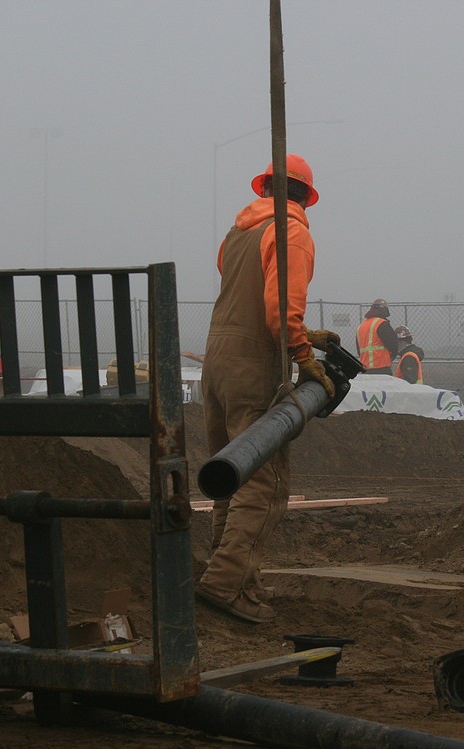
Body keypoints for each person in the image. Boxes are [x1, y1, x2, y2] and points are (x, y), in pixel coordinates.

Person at [197, 153, 339, 623]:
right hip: (254, 367)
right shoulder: (291, 231)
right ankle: (227, 585)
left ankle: (228, 576)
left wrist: (304, 335)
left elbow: (249, 299)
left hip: (217, 362)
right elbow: (279, 311)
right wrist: (303, 355)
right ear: (305, 196)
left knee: (228, 477)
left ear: (265, 189)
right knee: (263, 479)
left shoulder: (238, 232)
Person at [355, 298, 399, 374]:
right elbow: (393, 345)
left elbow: (359, 351)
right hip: (382, 368)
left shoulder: (360, 327)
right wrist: (391, 357)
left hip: (365, 369)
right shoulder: (382, 324)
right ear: (384, 311)